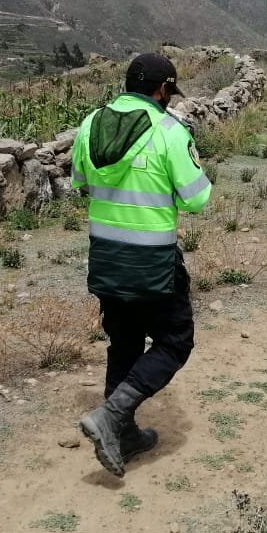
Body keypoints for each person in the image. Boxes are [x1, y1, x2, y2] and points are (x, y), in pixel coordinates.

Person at [73, 52, 212, 477]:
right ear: (163, 89)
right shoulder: (169, 130)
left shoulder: (90, 123)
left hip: (106, 257)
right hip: (152, 261)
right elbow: (197, 197)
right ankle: (112, 416)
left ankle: (126, 433)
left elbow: (81, 182)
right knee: (174, 342)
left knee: (126, 343)